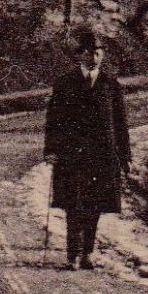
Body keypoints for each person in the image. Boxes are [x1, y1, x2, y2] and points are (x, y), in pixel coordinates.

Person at [44, 25, 130, 269]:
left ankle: (88, 253)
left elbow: (120, 124)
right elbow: (53, 120)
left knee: (94, 207)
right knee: (74, 205)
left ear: (102, 56)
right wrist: (51, 150)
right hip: (72, 155)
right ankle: (72, 255)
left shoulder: (111, 85)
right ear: (79, 55)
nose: (93, 57)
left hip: (101, 156)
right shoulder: (65, 83)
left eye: (98, 53)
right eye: (89, 53)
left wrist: (125, 156)